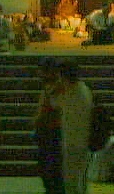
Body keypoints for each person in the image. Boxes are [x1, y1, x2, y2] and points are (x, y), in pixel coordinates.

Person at [52, 59, 93, 194]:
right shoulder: (84, 89)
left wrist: (55, 89)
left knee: (71, 181)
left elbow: (54, 102)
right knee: (81, 179)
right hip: (84, 140)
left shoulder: (70, 92)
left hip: (72, 142)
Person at [34, 57, 64, 194]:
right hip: (48, 131)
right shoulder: (50, 87)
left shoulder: (56, 88)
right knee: (48, 165)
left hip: (51, 131)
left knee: (50, 166)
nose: (39, 74)